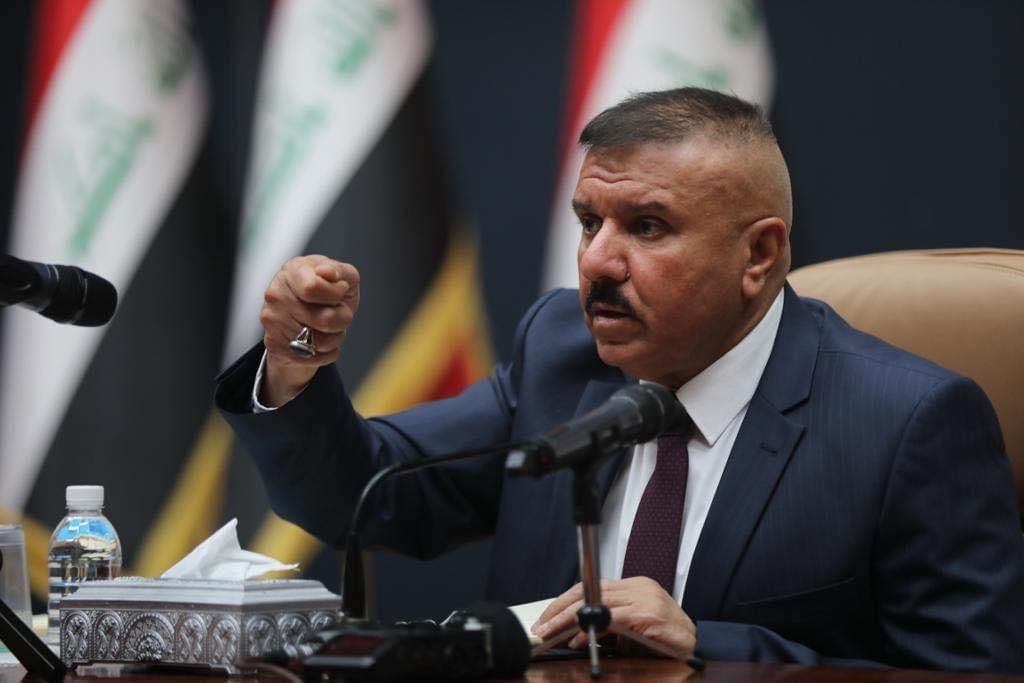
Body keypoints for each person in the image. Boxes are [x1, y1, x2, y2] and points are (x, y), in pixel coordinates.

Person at [216, 87, 1024, 671]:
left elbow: (972, 676)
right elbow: (364, 493)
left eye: (647, 225)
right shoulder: (563, 353)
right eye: (588, 222)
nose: (598, 261)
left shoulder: (908, 423)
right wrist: (297, 363)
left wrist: (706, 643)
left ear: (759, 255)